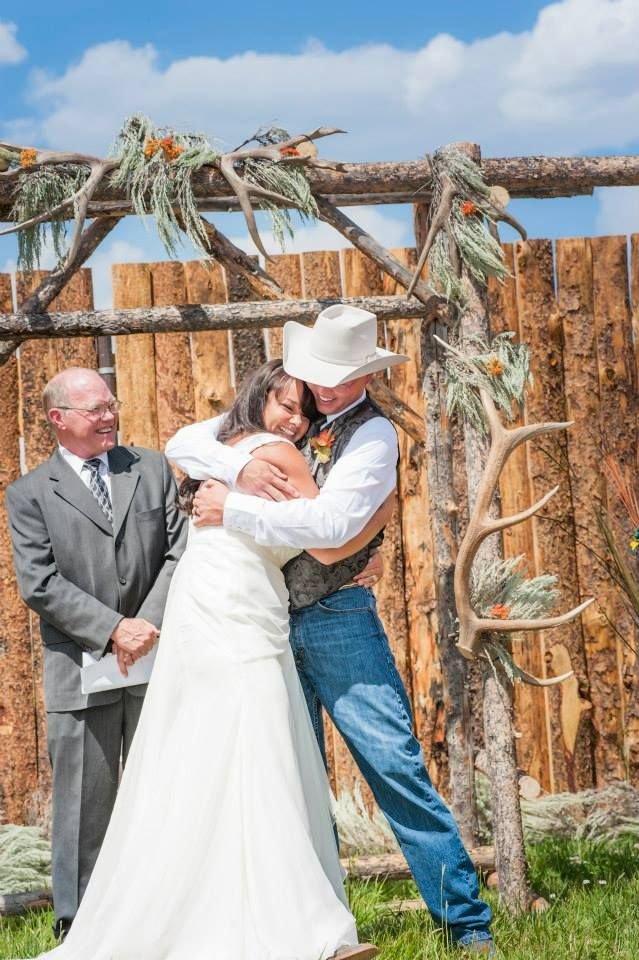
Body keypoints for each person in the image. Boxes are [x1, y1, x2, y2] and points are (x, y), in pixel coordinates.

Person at [29, 359, 387, 960]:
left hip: (206, 598)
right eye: (284, 405)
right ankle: (293, 924)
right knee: (258, 743)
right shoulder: (278, 453)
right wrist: (371, 531)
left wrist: (237, 485)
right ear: (258, 399)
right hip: (237, 606)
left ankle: (199, 906)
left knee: (201, 748)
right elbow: (324, 538)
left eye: (304, 411)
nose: (294, 421)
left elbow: (190, 447)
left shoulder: (219, 447)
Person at [166, 304, 495, 955]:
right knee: (290, 779)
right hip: (260, 624)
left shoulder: (371, 437)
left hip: (335, 616)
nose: (326, 389)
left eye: (341, 378)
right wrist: (241, 471)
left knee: (391, 765)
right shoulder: (291, 411)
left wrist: (232, 505)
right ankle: (315, 927)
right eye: (319, 375)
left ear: (367, 375)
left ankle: (465, 921)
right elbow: (184, 441)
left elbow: (329, 532)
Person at [5, 368, 187, 942]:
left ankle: (175, 911)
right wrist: (112, 629)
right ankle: (78, 926)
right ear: (58, 419)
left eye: (112, 404)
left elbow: (183, 551)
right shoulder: (28, 494)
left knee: (172, 790)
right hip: (79, 670)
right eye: (94, 410)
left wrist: (146, 624)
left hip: (160, 661)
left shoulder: (151, 468)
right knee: (84, 804)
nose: (109, 416)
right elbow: (40, 583)